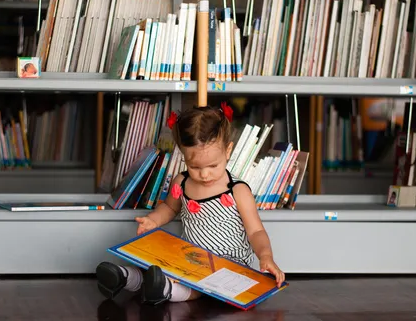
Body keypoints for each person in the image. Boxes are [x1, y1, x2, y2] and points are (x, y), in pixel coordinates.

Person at [95, 103, 285, 305]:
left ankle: (165, 290)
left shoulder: (238, 190)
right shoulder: (182, 182)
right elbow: (169, 208)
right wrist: (153, 220)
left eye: (213, 165)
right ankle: (126, 277)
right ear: (183, 155)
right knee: (160, 264)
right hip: (190, 257)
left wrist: (266, 256)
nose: (204, 174)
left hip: (229, 264)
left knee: (200, 283)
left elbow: (255, 232)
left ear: (228, 151)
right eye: (194, 166)